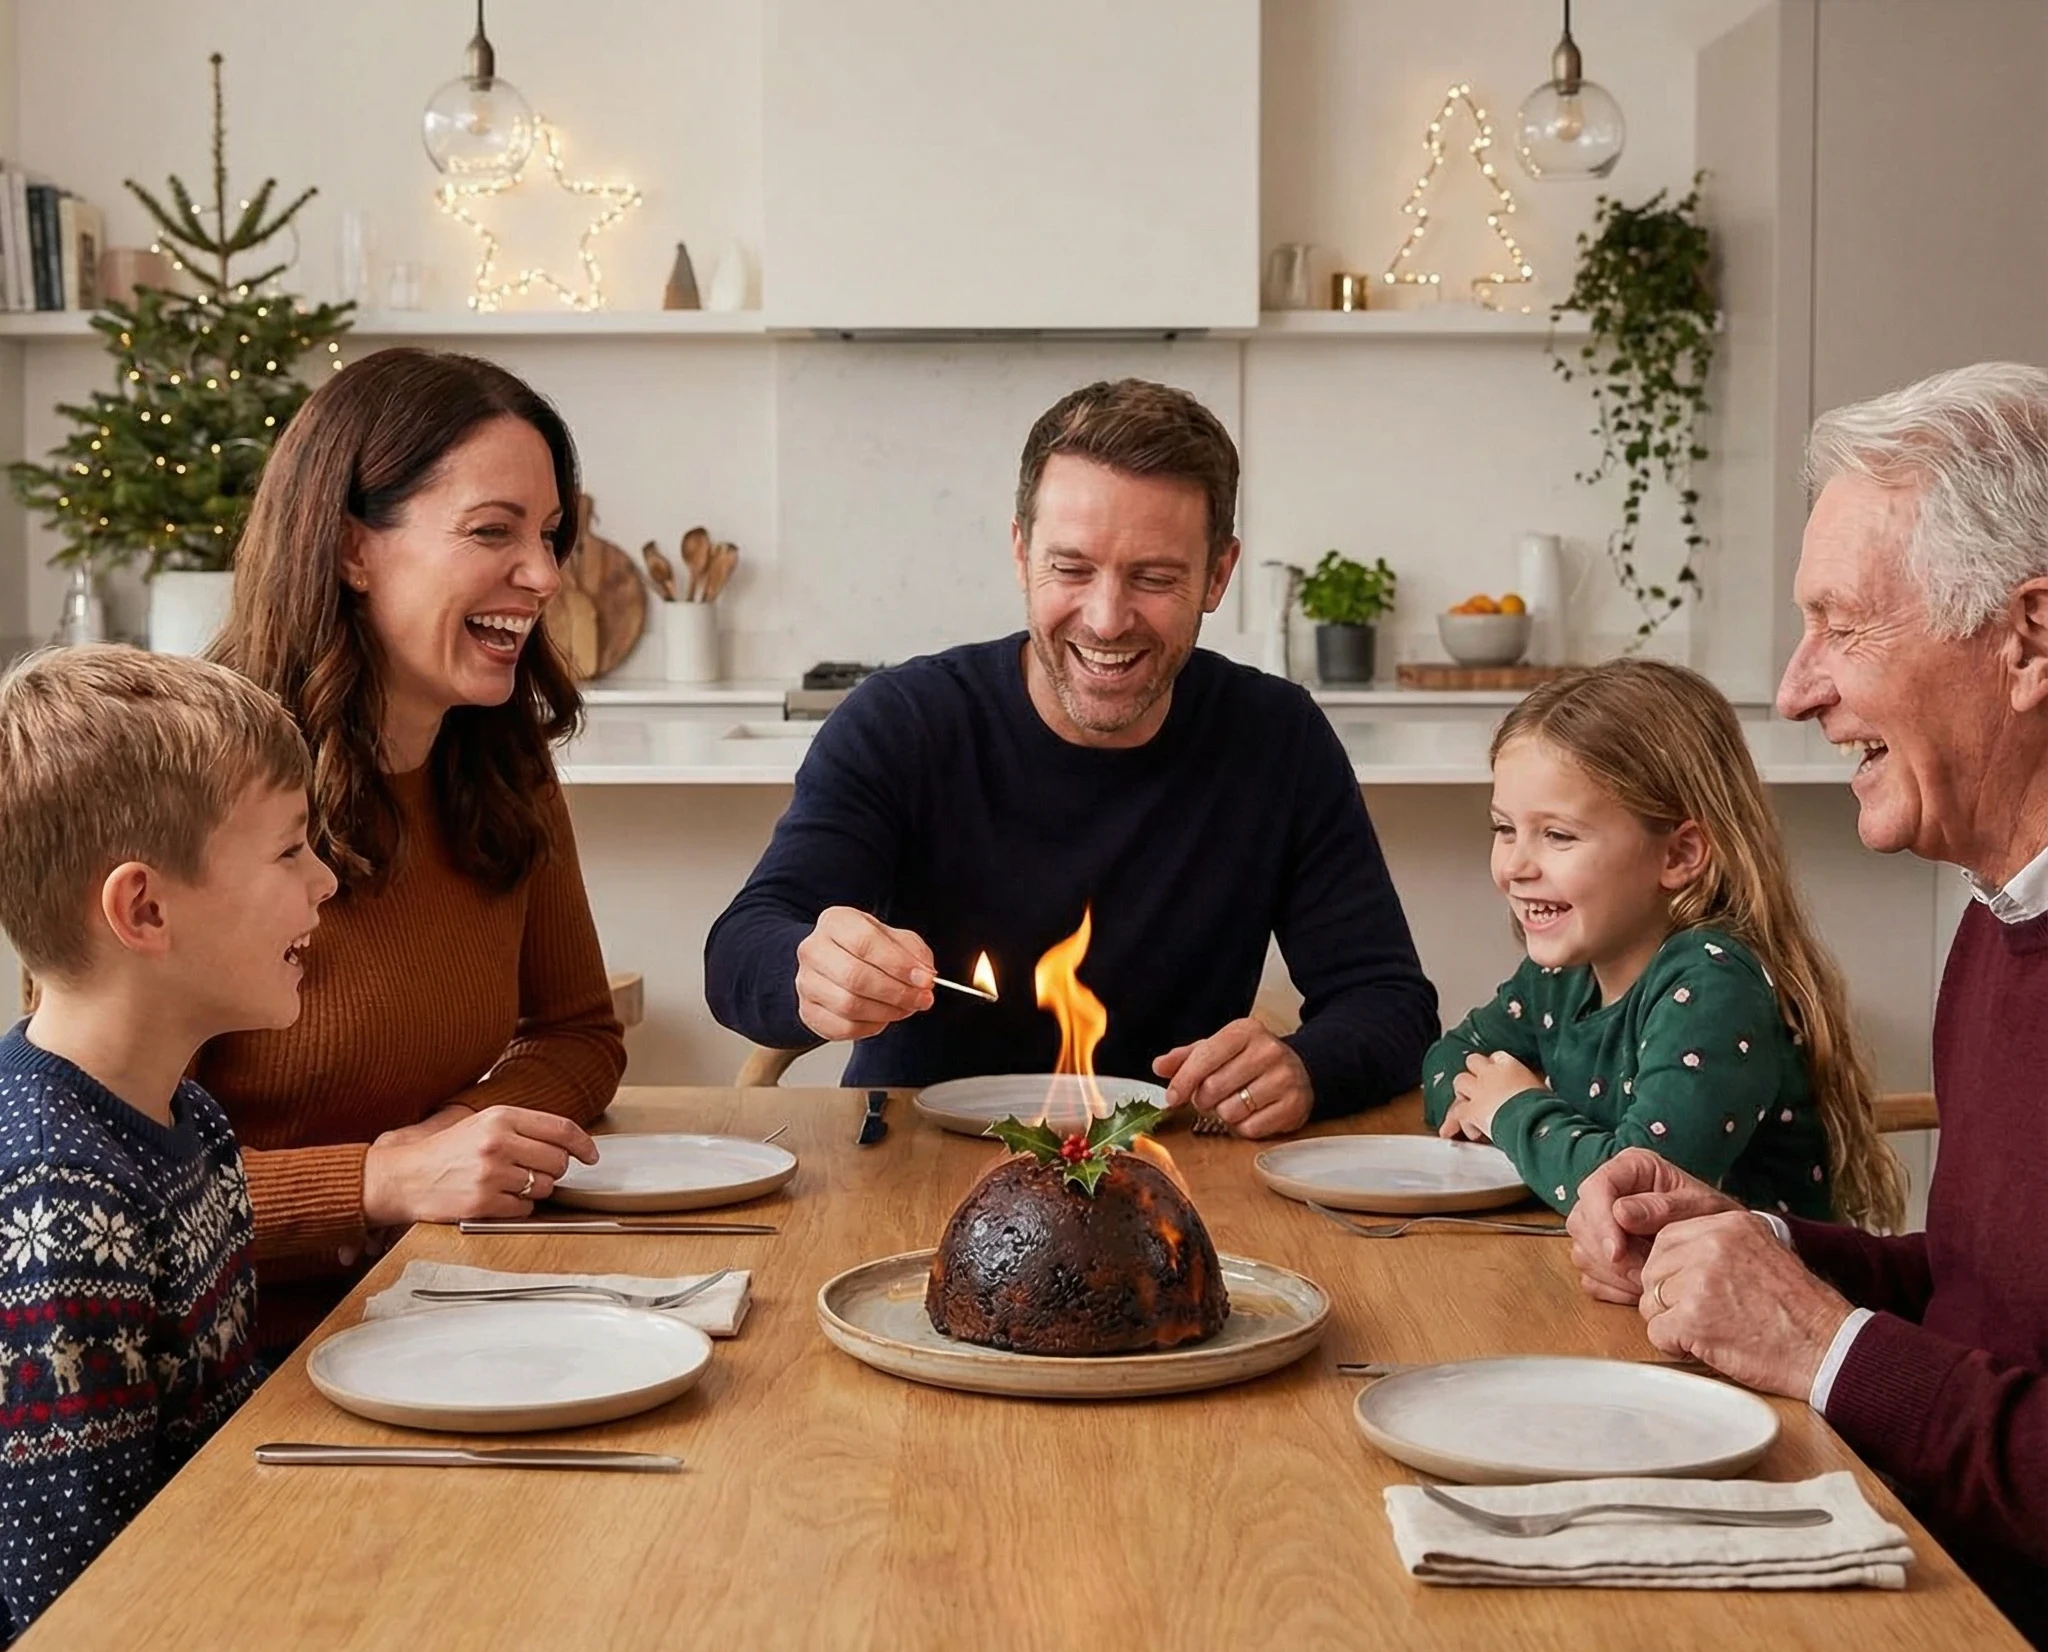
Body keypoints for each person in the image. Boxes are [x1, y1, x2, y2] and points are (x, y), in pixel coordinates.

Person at [1566, 362, 2048, 1645]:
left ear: (2028, 637)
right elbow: (1981, 1297)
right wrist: (1757, 1244)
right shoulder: (2000, 918)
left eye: (1840, 626)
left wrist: (1827, 1348)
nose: (1792, 689)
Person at [706, 377, 1437, 1134]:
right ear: (1022, 553)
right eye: (1072, 568)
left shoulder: (1277, 739)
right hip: (917, 1165)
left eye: (1154, 577)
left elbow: (1389, 1000)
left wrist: (1308, 1065)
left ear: (1219, 574)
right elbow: (740, 949)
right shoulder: (903, 723)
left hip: (1170, 1171)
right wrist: (811, 969)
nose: (1107, 618)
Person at [202, 348, 622, 1355]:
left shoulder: (500, 763)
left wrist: (462, 1140)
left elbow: (577, 1032)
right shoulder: (184, 778)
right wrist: (374, 1180)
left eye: (550, 535)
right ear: (352, 545)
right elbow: (91, 1185)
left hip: (436, 1306)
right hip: (231, 1375)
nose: (545, 576)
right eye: (493, 532)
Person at [0, 646, 337, 1637]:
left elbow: (217, 1431)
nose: (324, 881)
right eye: (290, 850)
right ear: (145, 908)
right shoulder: (58, 1203)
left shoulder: (190, 1117)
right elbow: (73, 1600)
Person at [1422, 658, 1902, 1227]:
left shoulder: (1713, 988)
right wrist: (1497, 1111)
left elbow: (1631, 1198)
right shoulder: (1561, 975)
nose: (1515, 866)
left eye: (1557, 835)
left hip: (1751, 1309)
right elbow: (1446, 1062)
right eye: (1505, 829)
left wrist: (1512, 1112)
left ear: (1678, 855)